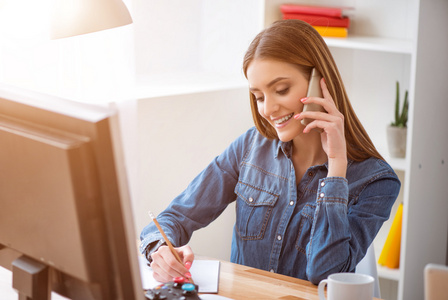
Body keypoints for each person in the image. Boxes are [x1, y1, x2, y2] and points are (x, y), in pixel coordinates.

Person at [139, 19, 401, 285]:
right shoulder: (250, 148)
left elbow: (325, 274)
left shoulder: (376, 182)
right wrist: (159, 250)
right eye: (259, 96)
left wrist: (336, 167)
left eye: (281, 90)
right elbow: (174, 217)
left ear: (319, 83)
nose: (267, 109)